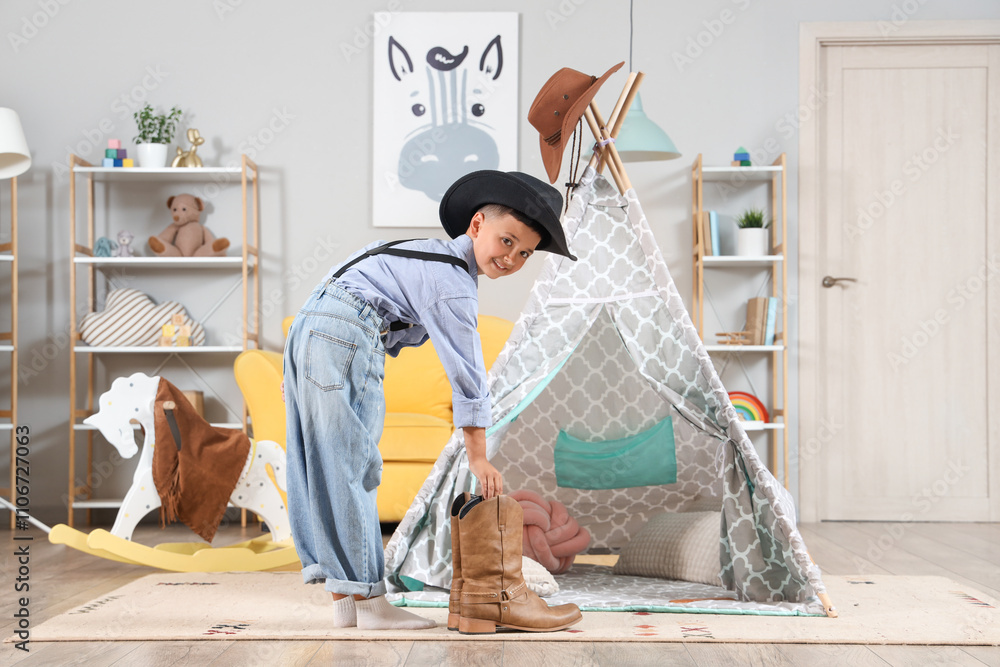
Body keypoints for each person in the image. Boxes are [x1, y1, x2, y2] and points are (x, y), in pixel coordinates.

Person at [283, 170, 577, 630]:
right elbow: (468, 374)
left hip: (314, 326)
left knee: (321, 465)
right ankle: (371, 604)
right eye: (507, 241)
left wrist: (304, 357)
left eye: (525, 253)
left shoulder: (429, 254)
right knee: (356, 467)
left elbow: (340, 284)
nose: (512, 258)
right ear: (477, 225)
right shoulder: (453, 281)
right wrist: (478, 457)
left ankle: (345, 600)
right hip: (342, 331)